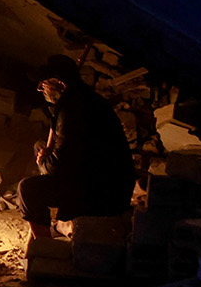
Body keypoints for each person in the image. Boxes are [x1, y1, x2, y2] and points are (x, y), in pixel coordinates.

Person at [18, 55, 135, 240]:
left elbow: (58, 166)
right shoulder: (77, 100)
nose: (40, 89)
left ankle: (44, 246)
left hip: (104, 191)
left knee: (28, 189)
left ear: (61, 85)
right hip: (93, 177)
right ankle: (61, 223)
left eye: (44, 84)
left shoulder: (74, 110)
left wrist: (43, 163)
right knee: (38, 146)